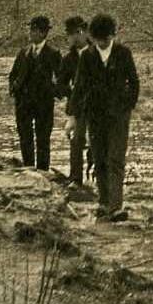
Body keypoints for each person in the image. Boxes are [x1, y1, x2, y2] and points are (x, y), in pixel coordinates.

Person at [72, 13, 139, 222]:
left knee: (115, 159)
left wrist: (126, 107)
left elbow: (134, 83)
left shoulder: (123, 53)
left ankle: (116, 206)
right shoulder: (87, 56)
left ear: (112, 35)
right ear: (93, 37)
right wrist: (73, 116)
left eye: (106, 39)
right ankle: (103, 202)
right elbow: (79, 86)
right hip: (95, 115)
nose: (102, 43)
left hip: (118, 116)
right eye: (99, 39)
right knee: (99, 158)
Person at [7, 15, 61, 171]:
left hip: (44, 102)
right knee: (24, 135)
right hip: (23, 101)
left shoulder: (53, 53)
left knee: (43, 137)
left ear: (43, 33)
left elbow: (61, 77)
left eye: (34, 30)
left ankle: (43, 170)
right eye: (31, 29)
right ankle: (28, 167)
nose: (31, 33)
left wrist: (52, 91)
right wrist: (13, 88)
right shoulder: (23, 52)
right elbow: (13, 74)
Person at [56, 16, 93, 187]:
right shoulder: (68, 59)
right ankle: (76, 178)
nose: (72, 38)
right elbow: (60, 85)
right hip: (78, 107)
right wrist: (71, 91)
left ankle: (99, 177)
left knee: (99, 142)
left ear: (83, 32)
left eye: (75, 33)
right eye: (70, 35)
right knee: (77, 140)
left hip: (97, 106)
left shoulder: (97, 53)